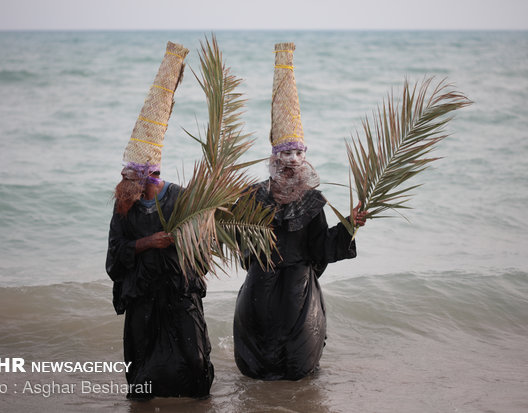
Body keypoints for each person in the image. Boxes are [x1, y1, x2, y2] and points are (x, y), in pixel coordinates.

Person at [233, 42, 368, 381]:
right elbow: (233, 238)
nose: (292, 160)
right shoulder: (251, 196)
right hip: (258, 292)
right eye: (285, 153)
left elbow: (321, 247)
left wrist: (350, 224)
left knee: (297, 372)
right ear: (273, 158)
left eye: (298, 152)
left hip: (297, 295)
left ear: (304, 157)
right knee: (256, 373)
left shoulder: (312, 201)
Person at [106, 42, 214, 399]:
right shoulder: (124, 204)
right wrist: (148, 243)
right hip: (143, 294)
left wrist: (187, 237)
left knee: (194, 363)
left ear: (152, 177)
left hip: (179, 291)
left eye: (134, 181)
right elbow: (114, 254)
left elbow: (205, 247)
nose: (127, 188)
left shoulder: (179, 196)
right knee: (142, 368)